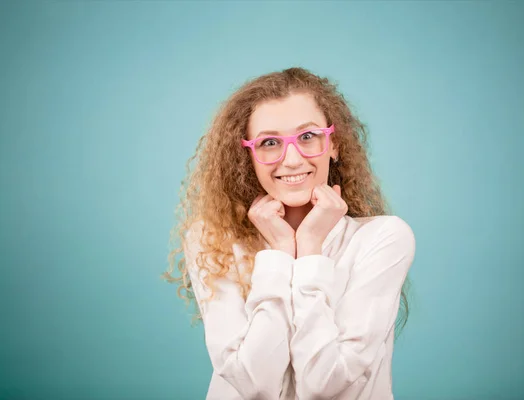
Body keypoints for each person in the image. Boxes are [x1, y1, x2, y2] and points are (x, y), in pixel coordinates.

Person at [163, 67, 416, 400]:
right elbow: (255, 385)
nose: (293, 159)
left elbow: (325, 387)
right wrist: (280, 253)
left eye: (308, 137)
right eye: (270, 142)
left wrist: (309, 248)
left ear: (334, 144)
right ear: (247, 156)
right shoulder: (212, 241)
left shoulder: (383, 238)